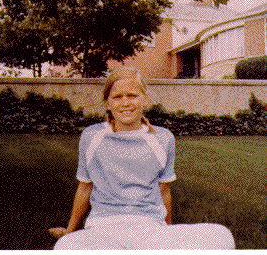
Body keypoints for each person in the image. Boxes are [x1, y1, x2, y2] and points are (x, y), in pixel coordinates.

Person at [49, 67, 235, 250]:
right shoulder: (92, 136)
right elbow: (85, 187)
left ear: (144, 99)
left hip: (149, 226)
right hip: (102, 227)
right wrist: (70, 231)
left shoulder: (163, 139)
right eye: (117, 97)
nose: (125, 103)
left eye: (132, 96)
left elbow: (164, 191)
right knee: (65, 247)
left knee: (221, 234)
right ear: (107, 103)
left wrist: (168, 235)